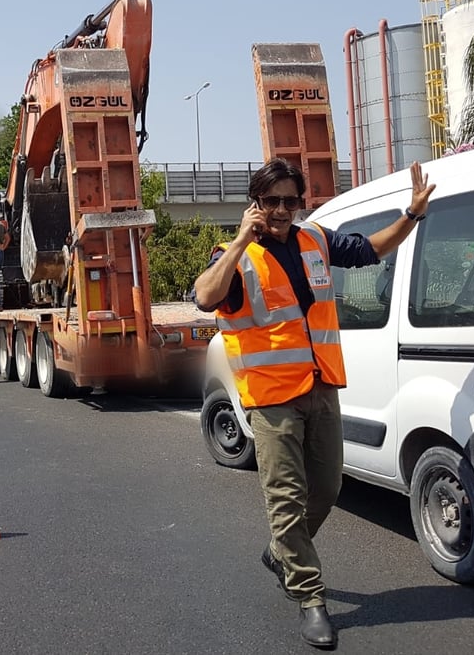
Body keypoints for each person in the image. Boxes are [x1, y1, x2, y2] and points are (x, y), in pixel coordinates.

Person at [191, 158, 434, 649]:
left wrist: (411, 215)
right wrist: (239, 241)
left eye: (290, 200)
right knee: (287, 498)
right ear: (256, 203)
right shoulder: (237, 257)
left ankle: (281, 552)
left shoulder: (316, 240)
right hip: (271, 399)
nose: (282, 210)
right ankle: (310, 597)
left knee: (327, 487)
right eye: (272, 200)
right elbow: (203, 296)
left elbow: (371, 250)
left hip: (322, 388)